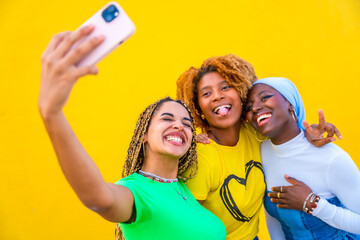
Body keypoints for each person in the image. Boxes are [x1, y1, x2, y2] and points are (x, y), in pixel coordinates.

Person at [38, 25, 226, 240]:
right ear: (144, 134)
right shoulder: (135, 192)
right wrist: (52, 114)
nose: (179, 126)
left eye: (187, 123)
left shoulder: (184, 188)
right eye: (167, 119)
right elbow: (99, 199)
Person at [176, 55, 341, 240]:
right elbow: (186, 227)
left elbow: (285, 129)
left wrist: (306, 134)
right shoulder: (202, 156)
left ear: (241, 94)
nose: (217, 96)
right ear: (199, 109)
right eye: (206, 94)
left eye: (225, 87)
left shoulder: (254, 134)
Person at [245, 77, 360, 239]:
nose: (255, 107)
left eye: (265, 97)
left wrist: (313, 204)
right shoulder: (262, 153)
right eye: (249, 107)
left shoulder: (332, 158)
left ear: (290, 104)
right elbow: (274, 218)